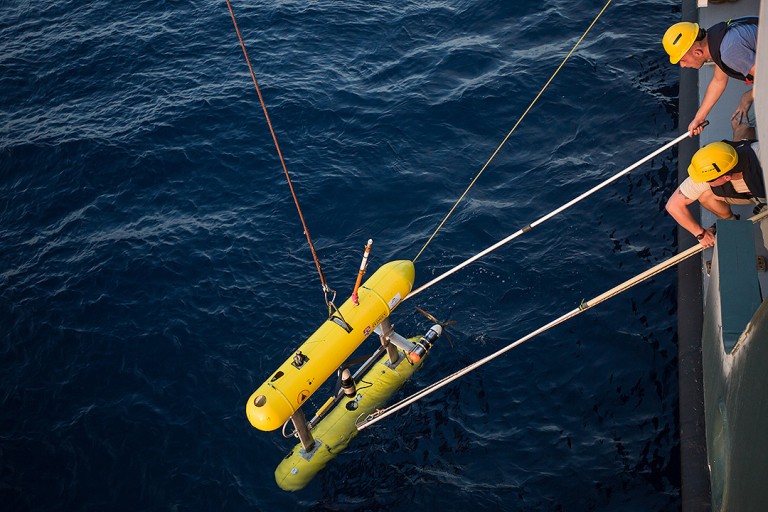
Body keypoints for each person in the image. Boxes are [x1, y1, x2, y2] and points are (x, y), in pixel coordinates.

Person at [665, 118, 764, 248]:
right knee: (705, 195)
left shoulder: (762, 157)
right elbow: (673, 206)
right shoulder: (715, 163)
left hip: (763, 192)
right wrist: (701, 234)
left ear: (726, 177)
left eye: (708, 179)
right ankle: (731, 222)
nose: (702, 181)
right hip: (750, 191)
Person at [662, 17, 758, 135]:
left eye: (682, 60)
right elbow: (718, 81)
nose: (682, 65)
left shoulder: (729, 53)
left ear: (697, 52)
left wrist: (749, 96)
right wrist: (699, 118)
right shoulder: (716, 39)